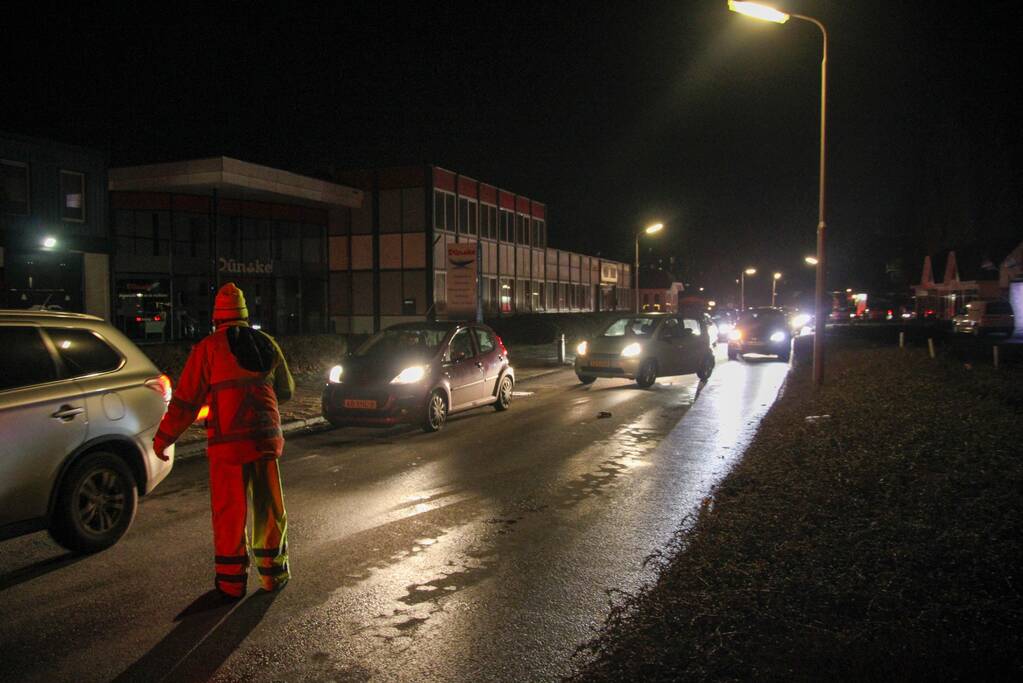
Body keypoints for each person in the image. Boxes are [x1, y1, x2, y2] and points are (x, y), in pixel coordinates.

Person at [153, 283, 295, 599]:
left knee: (230, 511)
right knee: (269, 507)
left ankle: (231, 584)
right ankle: (274, 575)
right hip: (265, 439)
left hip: (227, 445)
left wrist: (163, 439)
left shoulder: (208, 348)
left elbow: (186, 402)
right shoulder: (267, 343)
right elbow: (286, 391)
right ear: (244, 315)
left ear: (216, 318)